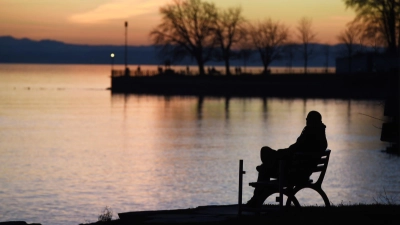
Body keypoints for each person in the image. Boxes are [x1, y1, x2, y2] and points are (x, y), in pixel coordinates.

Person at [246, 110, 328, 207]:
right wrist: (281, 153)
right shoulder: (321, 138)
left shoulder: (309, 135)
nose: (306, 121)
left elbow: (293, 151)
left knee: (265, 159)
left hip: (294, 173)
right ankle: (257, 196)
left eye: (307, 119)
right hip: (300, 171)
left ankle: (256, 199)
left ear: (312, 121)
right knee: (266, 164)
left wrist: (279, 153)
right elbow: (294, 151)